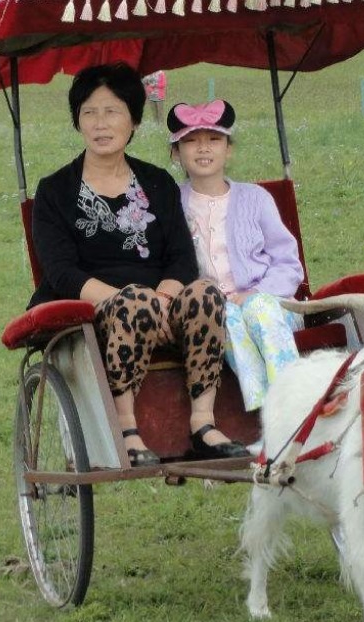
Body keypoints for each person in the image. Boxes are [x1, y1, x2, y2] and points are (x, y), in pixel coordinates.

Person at [28, 63, 251, 463]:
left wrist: (164, 298)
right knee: (134, 303)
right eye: (89, 113)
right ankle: (127, 429)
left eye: (112, 111)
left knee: (204, 295)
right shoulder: (55, 191)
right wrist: (129, 300)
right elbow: (60, 270)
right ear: (77, 121)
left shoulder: (157, 183)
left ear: (133, 120)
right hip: (92, 308)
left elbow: (182, 257)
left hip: (161, 303)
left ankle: (204, 423)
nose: (101, 123)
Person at [167, 99, 304, 412]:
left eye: (214, 140)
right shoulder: (173, 202)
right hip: (211, 308)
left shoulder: (256, 199)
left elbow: (287, 262)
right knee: (225, 318)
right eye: (191, 142)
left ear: (228, 149)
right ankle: (265, 409)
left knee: (259, 310)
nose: (203, 149)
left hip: (268, 300)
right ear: (176, 153)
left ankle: (295, 401)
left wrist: (256, 292)